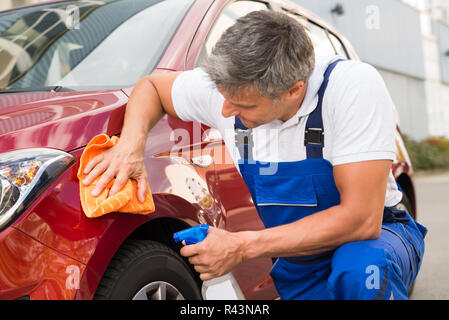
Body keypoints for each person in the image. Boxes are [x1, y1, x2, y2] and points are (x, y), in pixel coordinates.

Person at [81, 10, 427, 299]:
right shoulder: (233, 89)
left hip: (377, 237)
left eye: (244, 105)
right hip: (299, 255)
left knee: (360, 272)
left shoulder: (350, 86)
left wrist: (241, 246)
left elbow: (361, 220)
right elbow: (152, 86)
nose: (226, 111)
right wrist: (131, 145)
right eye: (223, 97)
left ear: (294, 90)